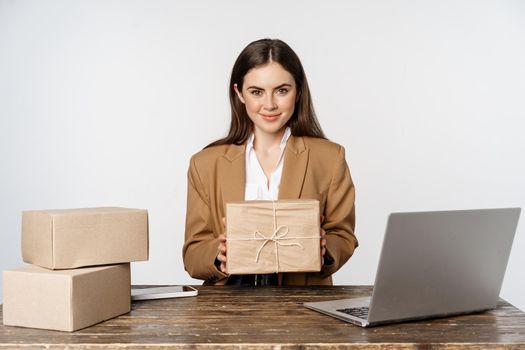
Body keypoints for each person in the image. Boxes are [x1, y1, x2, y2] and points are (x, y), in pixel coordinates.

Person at [183, 38, 357, 286]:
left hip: (301, 303)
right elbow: (192, 253)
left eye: (281, 90)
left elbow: (344, 236)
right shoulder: (205, 164)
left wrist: (323, 248)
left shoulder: (329, 158)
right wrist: (218, 255)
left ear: (298, 92)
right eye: (256, 92)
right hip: (228, 307)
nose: (270, 104)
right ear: (239, 94)